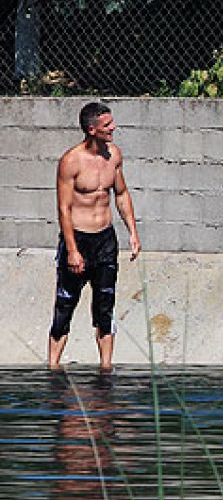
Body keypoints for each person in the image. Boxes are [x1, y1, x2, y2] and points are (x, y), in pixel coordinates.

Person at [48, 102, 141, 370]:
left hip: (105, 240)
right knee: (65, 305)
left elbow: (121, 194)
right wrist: (72, 250)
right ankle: (53, 368)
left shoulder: (114, 155)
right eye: (107, 125)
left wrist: (133, 232)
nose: (113, 128)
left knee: (105, 305)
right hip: (78, 238)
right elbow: (63, 208)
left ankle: (106, 368)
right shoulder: (71, 161)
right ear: (92, 129)